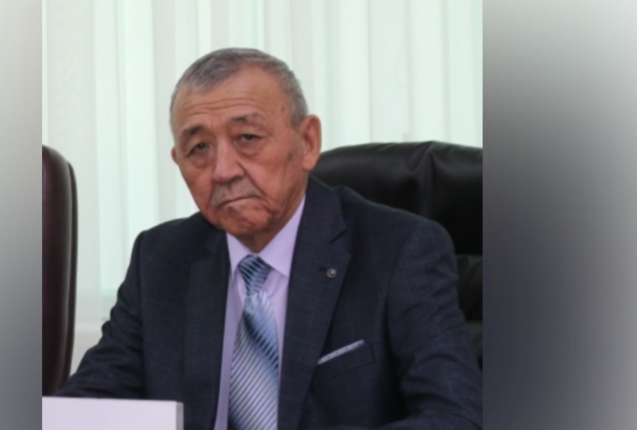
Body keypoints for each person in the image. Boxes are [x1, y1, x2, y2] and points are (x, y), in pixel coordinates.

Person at [57, 48, 483, 430]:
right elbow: (86, 408)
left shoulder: (400, 250)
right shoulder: (161, 259)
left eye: (247, 138)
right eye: (199, 148)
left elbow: (458, 416)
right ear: (178, 160)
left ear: (307, 142)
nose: (223, 170)